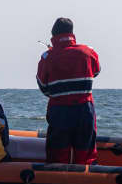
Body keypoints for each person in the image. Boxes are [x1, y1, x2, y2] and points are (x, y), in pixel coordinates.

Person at [36, 17, 100, 164]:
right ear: (72, 33)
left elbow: (42, 85)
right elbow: (96, 72)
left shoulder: (47, 57)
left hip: (59, 110)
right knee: (86, 153)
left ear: (53, 35)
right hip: (85, 109)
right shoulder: (88, 52)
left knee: (57, 153)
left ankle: (58, 182)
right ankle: (87, 181)